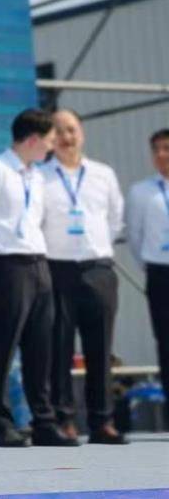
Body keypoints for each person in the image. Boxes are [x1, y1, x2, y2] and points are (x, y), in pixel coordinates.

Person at [0, 108, 78, 448]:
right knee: (4, 344)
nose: (51, 147)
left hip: (38, 263)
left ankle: (43, 422)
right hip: (6, 263)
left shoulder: (37, 177)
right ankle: (0, 423)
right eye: (48, 140)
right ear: (32, 140)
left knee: (41, 347)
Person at [40, 109, 127, 444]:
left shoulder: (103, 174)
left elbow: (115, 220)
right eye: (59, 131)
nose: (67, 137)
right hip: (57, 269)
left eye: (72, 129)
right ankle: (64, 419)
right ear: (51, 138)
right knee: (58, 348)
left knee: (100, 348)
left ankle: (102, 421)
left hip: (98, 269)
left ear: (82, 133)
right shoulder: (41, 176)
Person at [125, 128, 169, 423]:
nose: (161, 155)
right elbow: (135, 236)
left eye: (167, 148)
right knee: (165, 341)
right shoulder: (141, 192)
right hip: (160, 271)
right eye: (156, 150)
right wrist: (150, 264)